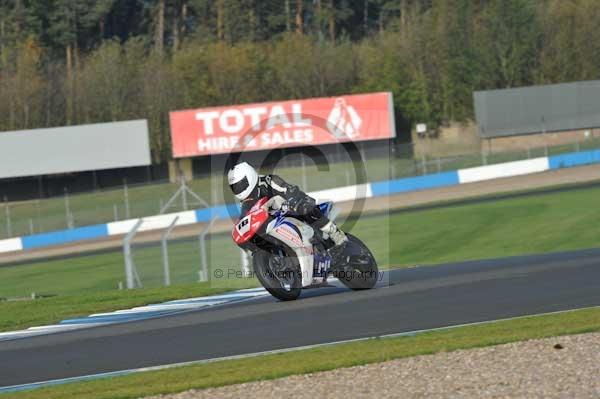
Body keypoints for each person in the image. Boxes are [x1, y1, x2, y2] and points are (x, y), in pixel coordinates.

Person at [228, 162, 348, 255]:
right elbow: (246, 218)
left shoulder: (269, 181)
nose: (239, 189)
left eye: (241, 185)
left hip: (292, 207)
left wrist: (291, 201)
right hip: (275, 222)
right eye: (235, 187)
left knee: (304, 207)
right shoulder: (245, 202)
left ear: (250, 176)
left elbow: (289, 190)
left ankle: (335, 233)